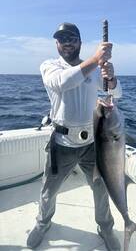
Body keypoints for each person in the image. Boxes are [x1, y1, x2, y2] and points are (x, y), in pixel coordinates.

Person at [26, 22, 122, 250]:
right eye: (62, 39)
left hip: (92, 143)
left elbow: (115, 93)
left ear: (79, 41)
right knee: (49, 190)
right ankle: (43, 223)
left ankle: (105, 228)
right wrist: (95, 60)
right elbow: (63, 82)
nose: (67, 43)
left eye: (71, 38)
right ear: (56, 44)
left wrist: (112, 77)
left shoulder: (94, 69)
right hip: (61, 143)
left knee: (101, 189)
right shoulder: (49, 66)